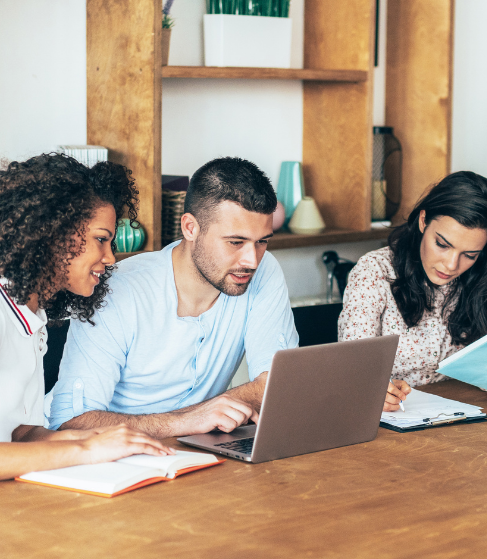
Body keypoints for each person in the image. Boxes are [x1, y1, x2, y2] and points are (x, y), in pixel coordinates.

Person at [48, 157, 299, 437]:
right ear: (190, 228)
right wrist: (188, 420)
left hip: (194, 454)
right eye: (236, 242)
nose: (252, 260)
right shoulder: (116, 289)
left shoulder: (264, 271)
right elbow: (71, 422)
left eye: (262, 241)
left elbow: (278, 384)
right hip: (107, 460)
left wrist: (200, 419)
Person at [0, 153, 172, 480]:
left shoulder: (33, 316)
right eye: (101, 239)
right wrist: (86, 451)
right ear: (52, 232)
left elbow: (21, 435)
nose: (110, 257)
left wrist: (101, 439)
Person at [338, 171, 487, 411]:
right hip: (391, 422)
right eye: (442, 244)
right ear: (423, 221)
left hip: (460, 417)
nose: (451, 265)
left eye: (469, 255)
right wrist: (372, 389)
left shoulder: (482, 278)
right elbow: (352, 369)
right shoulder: (375, 271)